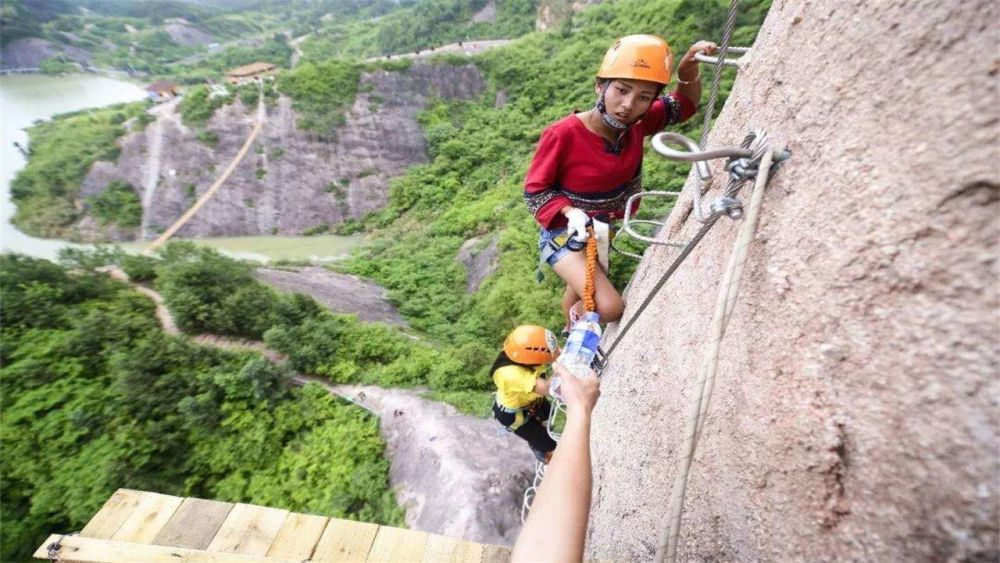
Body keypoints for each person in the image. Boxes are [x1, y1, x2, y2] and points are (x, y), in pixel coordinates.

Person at [524, 34, 719, 329]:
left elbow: (683, 106)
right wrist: (569, 212)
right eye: (621, 90)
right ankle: (576, 331)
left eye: (644, 97)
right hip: (564, 232)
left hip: (601, 230)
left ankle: (568, 331)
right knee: (611, 307)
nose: (627, 105)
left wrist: (687, 72)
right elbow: (535, 191)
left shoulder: (636, 126)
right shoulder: (562, 134)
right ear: (600, 86)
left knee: (579, 288)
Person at [511, 362, 601, 562]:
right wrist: (580, 407)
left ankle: (548, 454)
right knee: (544, 442)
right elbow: (542, 551)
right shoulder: (511, 374)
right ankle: (547, 455)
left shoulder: (515, 370)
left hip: (526, 410)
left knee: (543, 436)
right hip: (520, 415)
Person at [492, 325, 560, 463]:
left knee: (550, 416)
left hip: (532, 400)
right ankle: (543, 451)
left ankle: (541, 432)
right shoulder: (510, 374)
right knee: (548, 444)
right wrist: (562, 366)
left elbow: (557, 353)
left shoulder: (518, 351)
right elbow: (548, 388)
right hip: (514, 414)